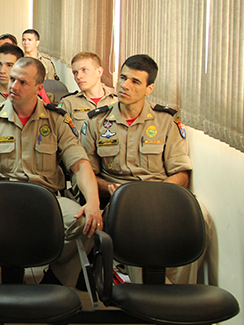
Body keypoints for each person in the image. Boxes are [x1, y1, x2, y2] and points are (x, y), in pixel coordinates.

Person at [0, 57, 101, 286]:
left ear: (39, 88)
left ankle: (56, 281)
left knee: (87, 221)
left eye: (23, 82)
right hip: (2, 200)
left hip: (46, 199)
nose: (14, 87)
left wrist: (93, 202)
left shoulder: (56, 120)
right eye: (13, 80)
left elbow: (80, 164)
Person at [80, 54, 201, 284]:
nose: (125, 85)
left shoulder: (165, 120)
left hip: (161, 195)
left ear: (149, 88)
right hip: (119, 200)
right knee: (138, 224)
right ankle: (145, 294)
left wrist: (155, 197)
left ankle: (177, 291)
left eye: (135, 81)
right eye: (123, 78)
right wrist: (109, 188)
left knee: (200, 218)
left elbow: (181, 173)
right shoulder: (96, 121)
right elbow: (86, 173)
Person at [58, 52, 117, 131]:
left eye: (84, 70)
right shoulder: (68, 103)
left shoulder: (117, 101)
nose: (78, 77)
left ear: (99, 72)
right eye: (75, 72)